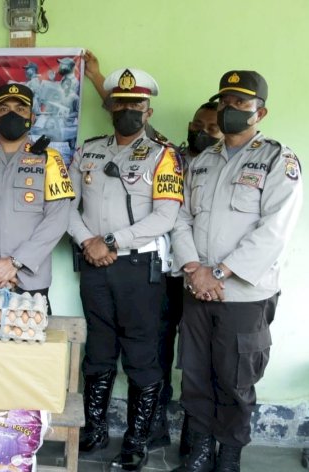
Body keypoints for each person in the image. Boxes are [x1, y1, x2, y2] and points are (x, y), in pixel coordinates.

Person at [171, 71, 303, 472]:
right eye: (226, 102)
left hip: (243, 295)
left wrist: (220, 274)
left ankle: (229, 458)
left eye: (241, 104)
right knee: (194, 377)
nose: (230, 110)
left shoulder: (278, 160)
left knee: (234, 382)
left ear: (259, 112)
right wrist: (194, 269)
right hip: (197, 290)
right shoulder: (204, 160)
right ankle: (199, 455)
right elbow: (180, 217)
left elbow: (275, 228)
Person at [68, 68, 183, 471]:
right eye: (121, 103)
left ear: (148, 111)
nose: (128, 110)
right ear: (111, 107)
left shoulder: (163, 156)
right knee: (98, 352)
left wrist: (111, 241)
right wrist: (88, 242)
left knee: (140, 355)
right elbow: (67, 204)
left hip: (138, 267)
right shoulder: (89, 150)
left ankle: (137, 438)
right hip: (94, 265)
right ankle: (95, 429)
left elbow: (167, 215)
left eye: (136, 105)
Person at [0, 83, 74, 310]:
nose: (12, 114)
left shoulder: (50, 159)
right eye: (4, 108)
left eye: (20, 109)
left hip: (29, 278)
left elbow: (58, 218)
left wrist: (15, 263)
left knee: (31, 343)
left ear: (32, 117)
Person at [147, 101, 224, 454]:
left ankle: (193, 438)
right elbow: (128, 108)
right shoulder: (168, 155)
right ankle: (156, 424)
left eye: (212, 128)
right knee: (157, 348)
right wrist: (99, 75)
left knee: (197, 359)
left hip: (202, 276)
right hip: (165, 273)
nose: (202, 132)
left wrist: (198, 269)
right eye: (198, 125)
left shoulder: (227, 166)